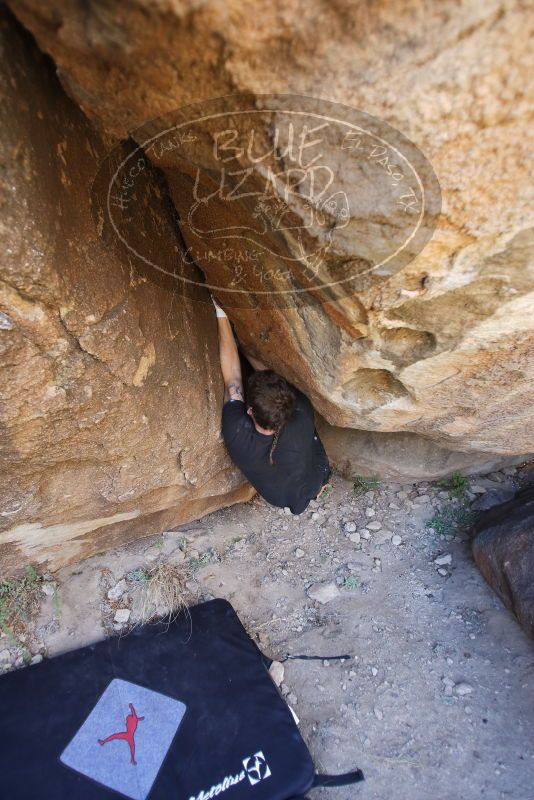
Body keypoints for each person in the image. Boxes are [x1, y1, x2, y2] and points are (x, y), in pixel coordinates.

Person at [213, 297, 331, 514]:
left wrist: (221, 313)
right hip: (314, 478)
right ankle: (319, 488)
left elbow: (233, 381)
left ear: (249, 411)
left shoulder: (238, 434)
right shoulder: (302, 411)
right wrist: (245, 345)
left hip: (278, 496)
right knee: (308, 454)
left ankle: (315, 489)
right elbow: (270, 378)